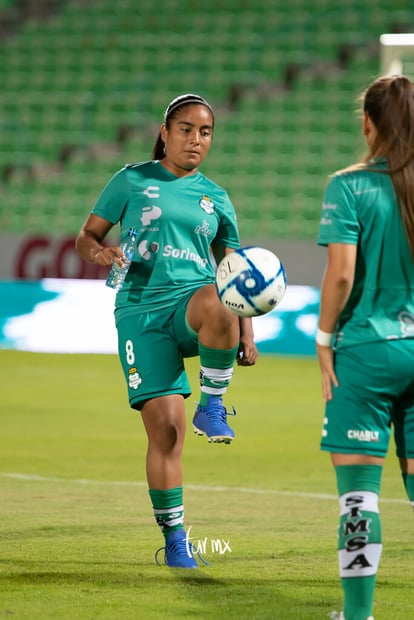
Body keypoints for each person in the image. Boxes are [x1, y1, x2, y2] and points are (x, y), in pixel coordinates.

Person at [75, 93, 258, 569]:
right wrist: (98, 253)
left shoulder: (215, 196)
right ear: (165, 132)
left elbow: (234, 270)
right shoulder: (132, 179)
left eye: (205, 132)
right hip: (139, 313)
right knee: (167, 434)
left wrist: (249, 334)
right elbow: (86, 235)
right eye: (186, 129)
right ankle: (175, 539)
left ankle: (213, 404)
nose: (196, 139)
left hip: (190, 303)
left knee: (219, 302)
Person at [316, 74, 414, 620]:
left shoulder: (349, 186)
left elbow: (341, 276)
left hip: (366, 351)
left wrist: (324, 339)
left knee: (359, 497)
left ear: (368, 123)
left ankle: (358, 617)